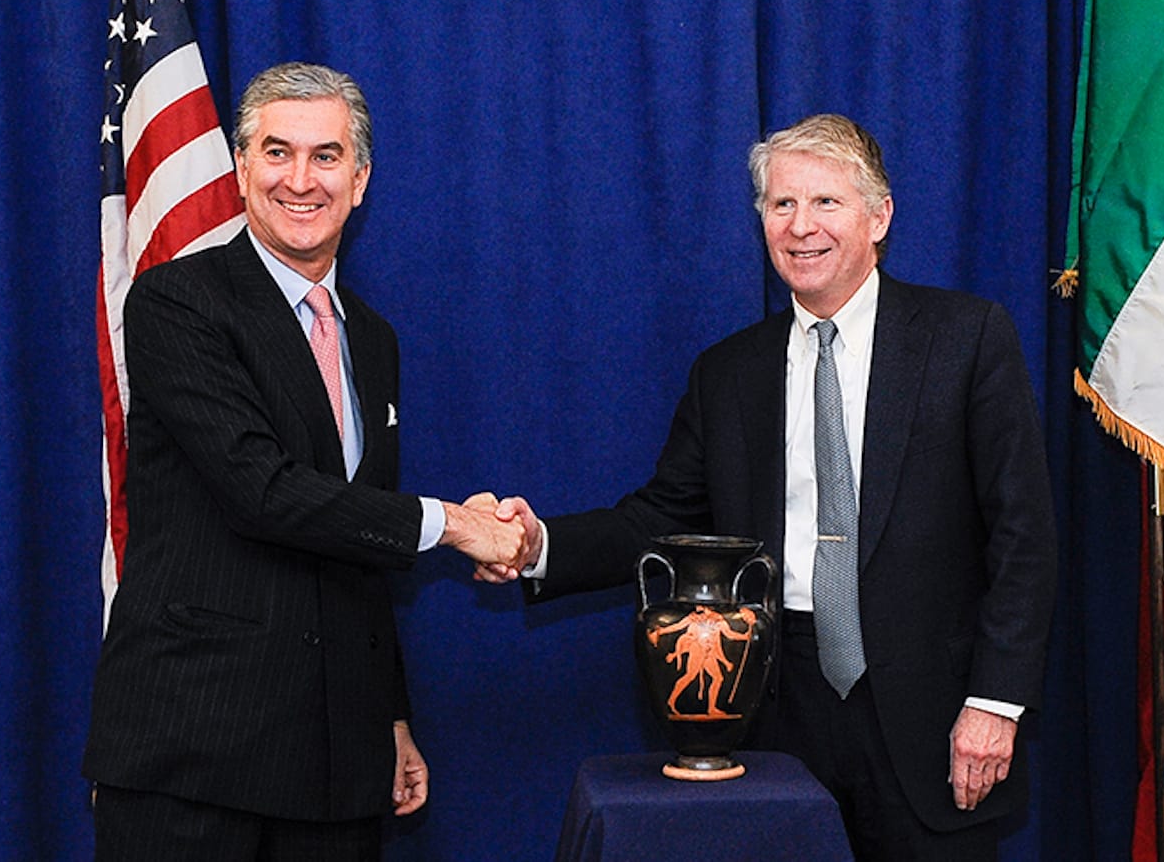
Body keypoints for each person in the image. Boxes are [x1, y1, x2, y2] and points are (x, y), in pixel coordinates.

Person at [487, 114, 1057, 860]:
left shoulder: (967, 337)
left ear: (879, 216)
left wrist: (994, 702)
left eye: (826, 202)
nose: (800, 226)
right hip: (773, 709)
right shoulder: (728, 373)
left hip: (933, 716)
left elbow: (1024, 535)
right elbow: (657, 521)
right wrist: (537, 546)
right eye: (781, 205)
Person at [82, 62, 525, 860]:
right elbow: (264, 491)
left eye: (326, 157)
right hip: (193, 759)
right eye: (278, 152)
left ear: (360, 180)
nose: (301, 179)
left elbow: (355, 539)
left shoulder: (373, 337)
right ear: (242, 167)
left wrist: (387, 715)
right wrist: (455, 525)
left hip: (335, 765)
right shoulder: (176, 302)